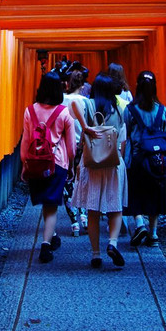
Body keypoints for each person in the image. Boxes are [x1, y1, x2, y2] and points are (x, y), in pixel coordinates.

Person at [73, 73, 128, 268]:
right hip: (113, 163)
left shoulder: (89, 105)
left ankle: (96, 254)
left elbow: (73, 105)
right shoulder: (120, 109)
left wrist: (86, 126)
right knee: (115, 207)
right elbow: (122, 139)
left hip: (92, 162)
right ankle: (112, 243)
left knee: (93, 209)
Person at [21, 72, 77, 263]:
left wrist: (24, 163)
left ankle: (51, 235)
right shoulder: (64, 112)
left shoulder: (29, 111)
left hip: (36, 162)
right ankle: (45, 244)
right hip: (57, 163)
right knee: (51, 205)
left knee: (46, 202)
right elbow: (71, 147)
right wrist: (71, 165)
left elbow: (26, 140)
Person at [123, 70, 166, 247]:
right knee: (154, 194)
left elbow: (126, 132)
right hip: (156, 161)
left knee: (135, 193)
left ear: (137, 87)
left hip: (137, 158)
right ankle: (154, 234)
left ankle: (140, 224)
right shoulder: (162, 110)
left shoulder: (131, 110)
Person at [61, 70, 88, 236]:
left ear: (67, 84)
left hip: (65, 146)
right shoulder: (86, 101)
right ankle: (84, 215)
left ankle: (74, 222)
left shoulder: (62, 100)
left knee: (68, 183)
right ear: (83, 86)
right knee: (83, 180)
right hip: (83, 145)